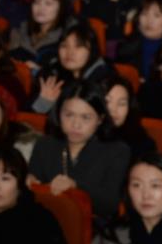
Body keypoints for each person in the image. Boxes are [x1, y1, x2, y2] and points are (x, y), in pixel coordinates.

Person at [28, 82, 131, 222]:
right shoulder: (45, 145)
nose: (76, 124)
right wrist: (29, 182)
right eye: (69, 115)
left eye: (85, 117)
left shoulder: (117, 150)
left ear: (100, 119)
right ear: (59, 114)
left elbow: (110, 204)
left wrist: (75, 186)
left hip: (93, 228)